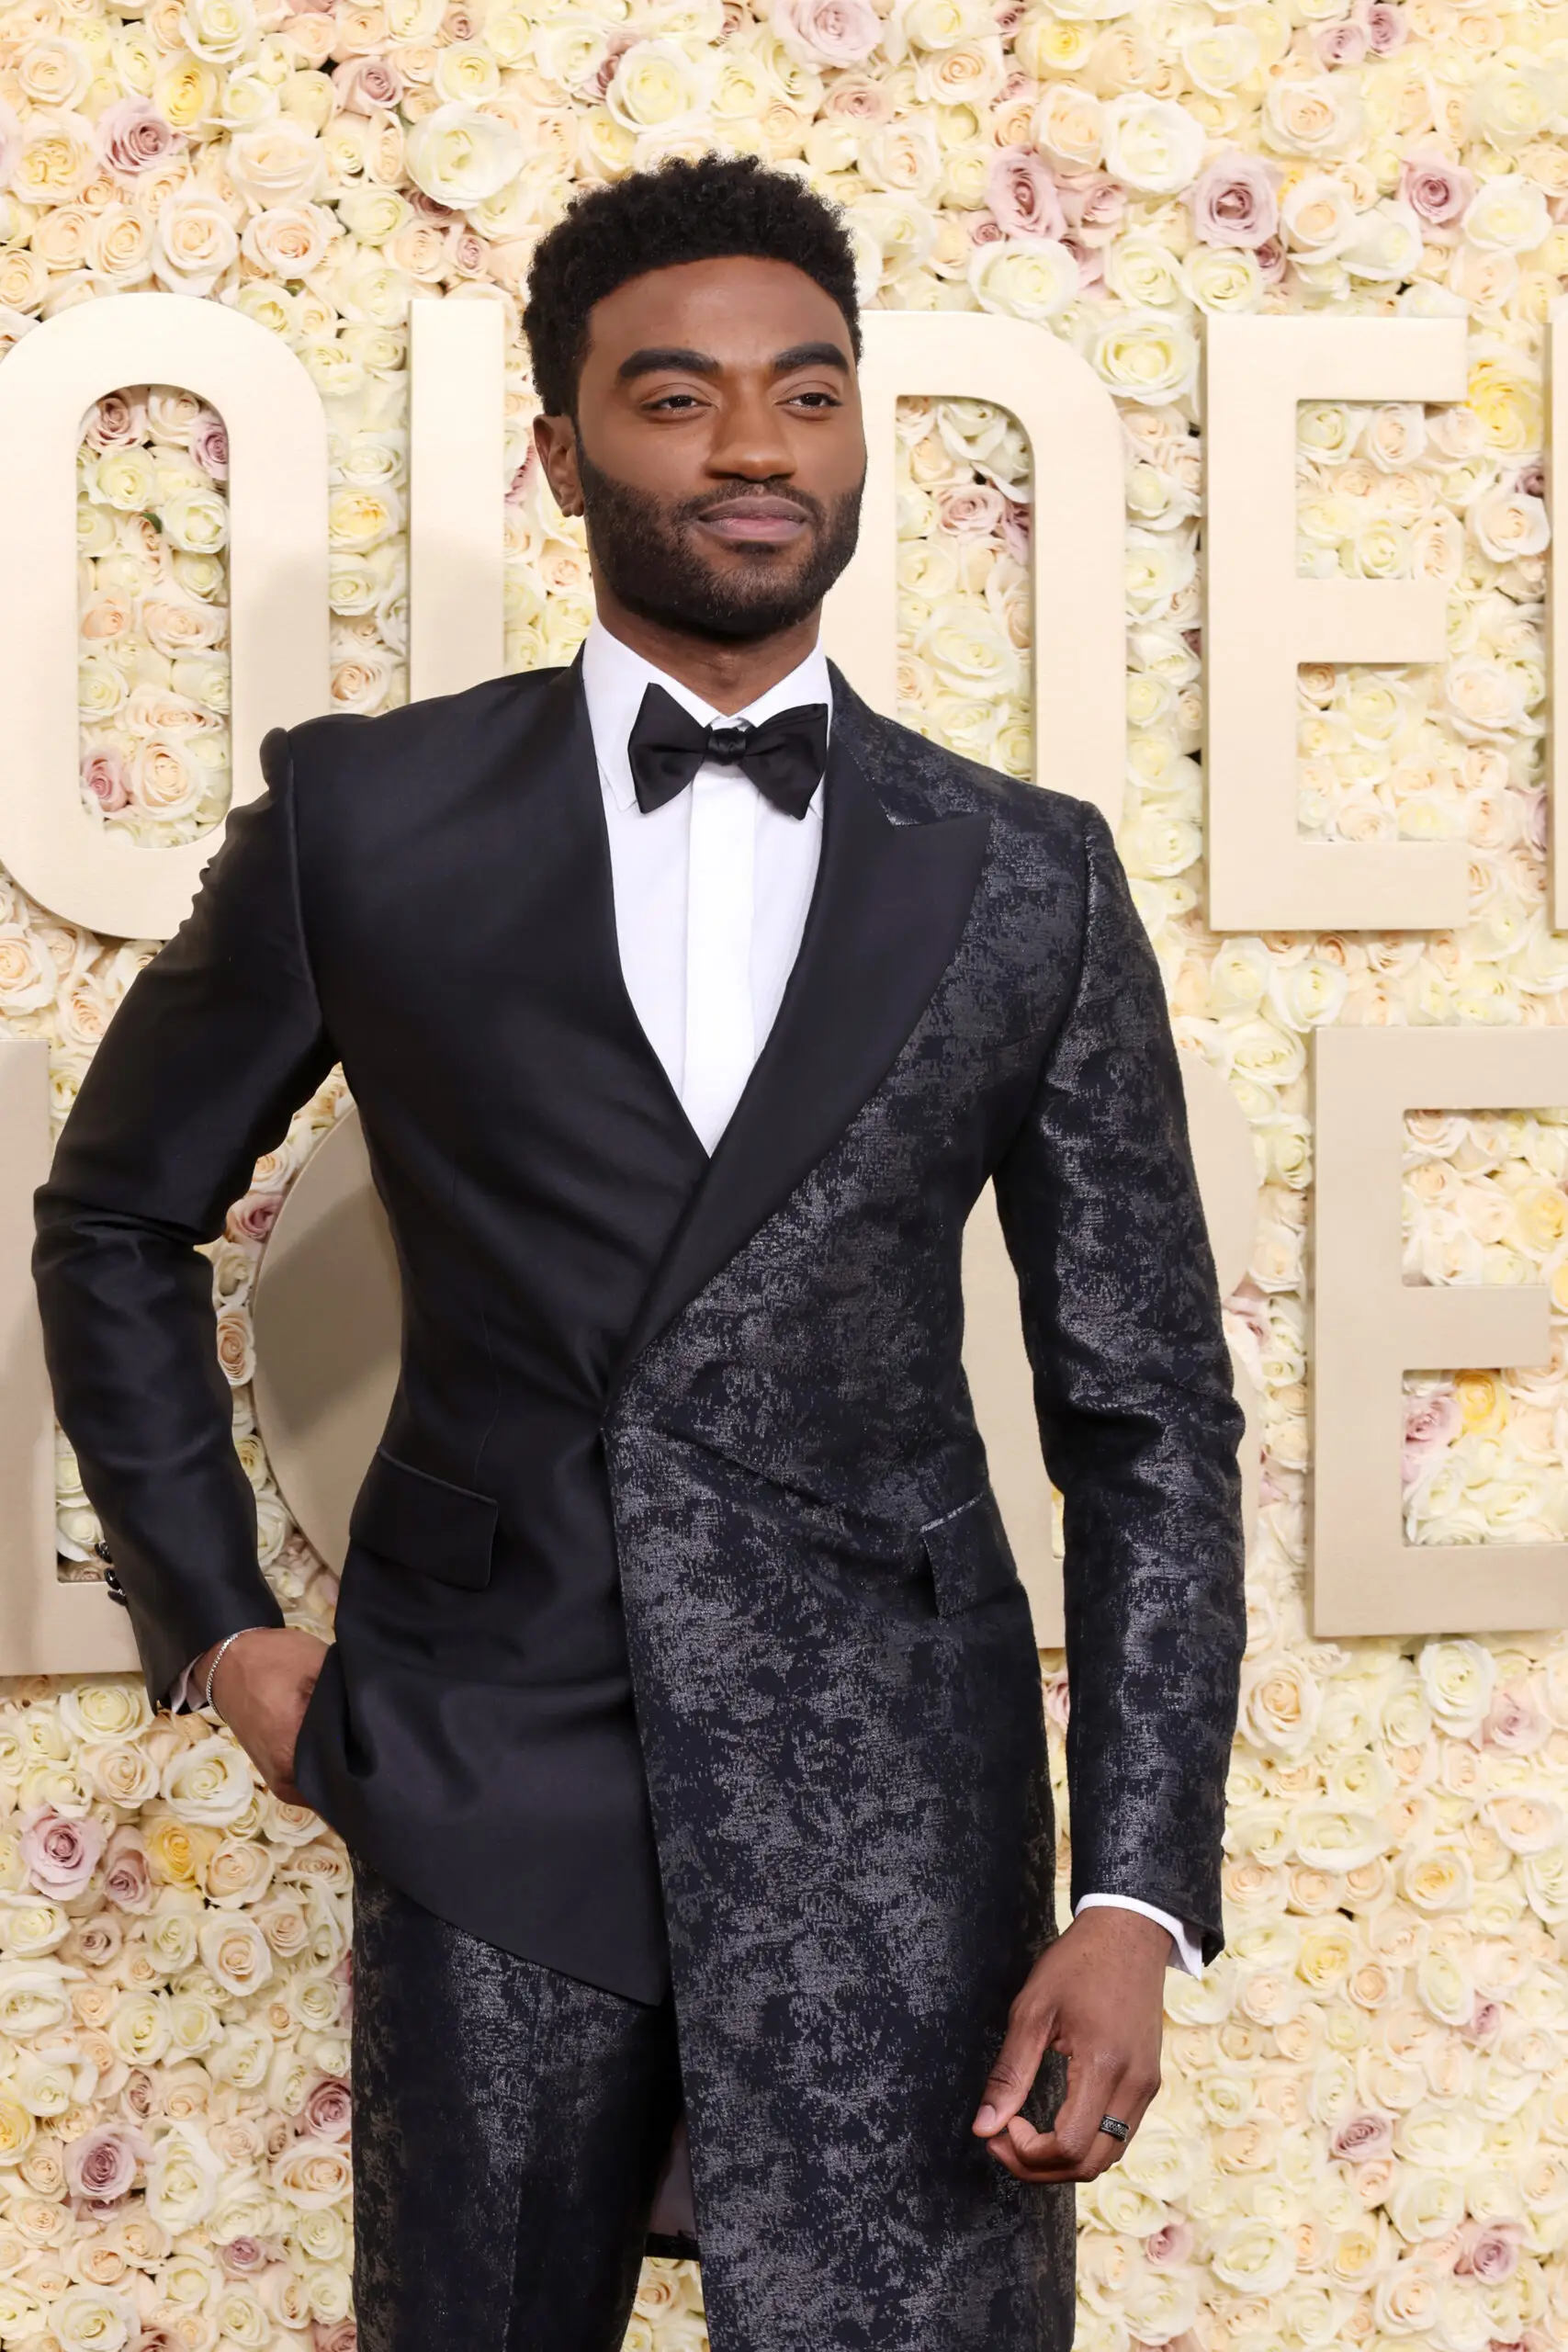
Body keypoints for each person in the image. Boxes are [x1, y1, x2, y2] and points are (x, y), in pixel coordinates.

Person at [32, 154, 1247, 2352]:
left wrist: (1135, 1892)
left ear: (861, 425)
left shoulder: (1024, 875)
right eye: (677, 398)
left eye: (808, 392)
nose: (754, 445)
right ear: (561, 444)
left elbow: (1149, 1410)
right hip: (487, 1762)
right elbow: (111, 1209)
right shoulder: (365, 818)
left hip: (909, 1811)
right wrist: (222, 1629)